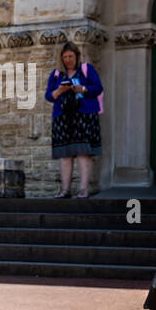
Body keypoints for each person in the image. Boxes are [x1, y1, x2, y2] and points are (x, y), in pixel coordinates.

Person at [44, 42, 103, 198]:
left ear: (77, 56)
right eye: (65, 57)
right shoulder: (57, 74)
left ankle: (83, 189)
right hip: (63, 118)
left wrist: (83, 89)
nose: (68, 60)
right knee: (65, 154)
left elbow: (98, 88)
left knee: (84, 153)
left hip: (84, 115)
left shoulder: (86, 69)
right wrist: (59, 90)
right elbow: (48, 96)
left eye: (71, 56)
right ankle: (65, 190)